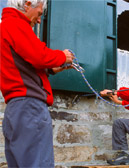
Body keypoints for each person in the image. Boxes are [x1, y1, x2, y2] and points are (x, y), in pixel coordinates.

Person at [0, 0, 75, 167]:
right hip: (29, 108)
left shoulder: (5, 27)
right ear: (27, 4)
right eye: (40, 13)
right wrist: (62, 56)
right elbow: (38, 55)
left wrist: (50, 70)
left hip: (16, 109)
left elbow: (21, 65)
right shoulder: (15, 24)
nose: (40, 20)